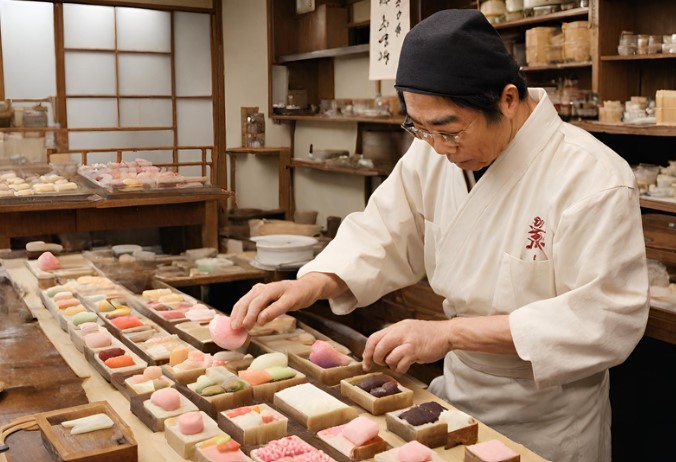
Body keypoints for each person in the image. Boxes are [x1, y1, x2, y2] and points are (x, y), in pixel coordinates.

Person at [230, 9, 649, 462]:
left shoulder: (592, 175)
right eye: (419, 128)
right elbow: (383, 231)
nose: (437, 147)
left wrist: (449, 334)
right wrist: (307, 284)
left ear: (508, 99)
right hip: (456, 399)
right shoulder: (433, 150)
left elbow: (606, 318)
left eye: (448, 130)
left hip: (549, 420)